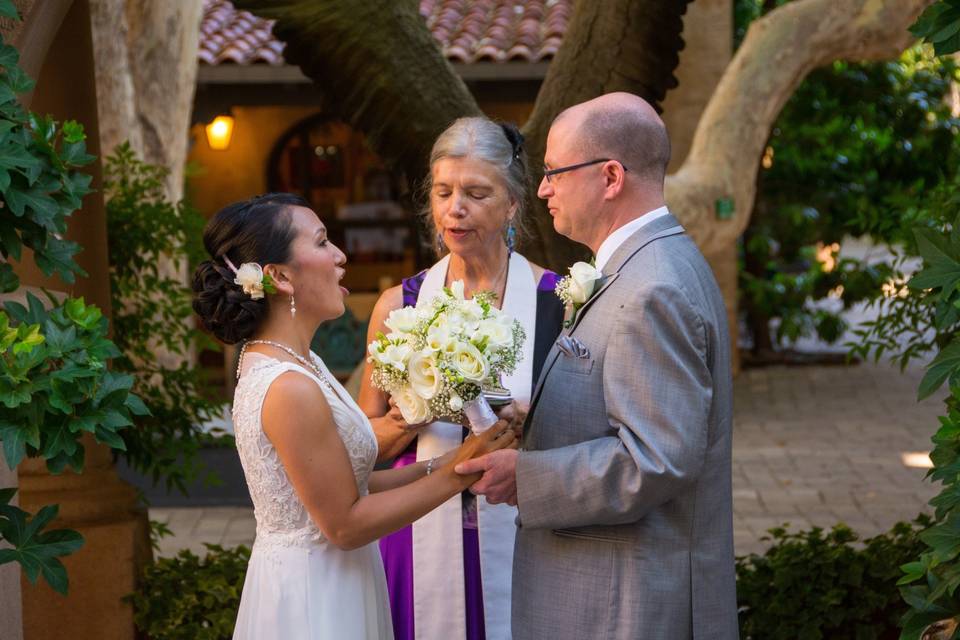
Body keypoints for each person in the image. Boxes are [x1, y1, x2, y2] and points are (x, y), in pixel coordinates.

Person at [456, 93, 740, 639]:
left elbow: (655, 458)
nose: (542, 189)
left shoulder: (650, 286)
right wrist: (532, 416)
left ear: (610, 177)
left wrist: (528, 475)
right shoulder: (652, 263)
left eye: (554, 172)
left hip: (623, 604)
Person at [191, 193, 515, 639]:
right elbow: (345, 523)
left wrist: (454, 459)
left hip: (337, 575)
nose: (341, 256)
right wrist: (459, 477)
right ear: (280, 276)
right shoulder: (289, 386)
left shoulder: (302, 362)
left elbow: (350, 481)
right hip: (314, 593)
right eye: (323, 243)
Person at [358, 118, 564, 640]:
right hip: (417, 531)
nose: (456, 208)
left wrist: (528, 423)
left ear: (513, 203)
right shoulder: (399, 307)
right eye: (444, 192)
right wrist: (411, 416)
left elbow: (584, 430)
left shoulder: (556, 304)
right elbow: (361, 448)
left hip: (523, 531)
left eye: (476, 193)